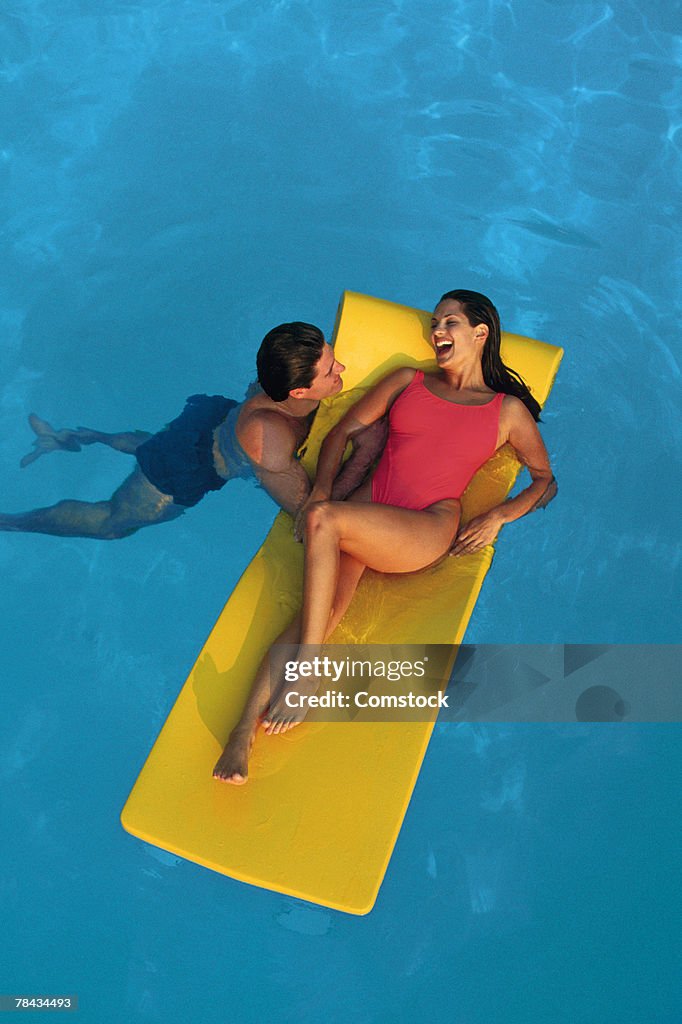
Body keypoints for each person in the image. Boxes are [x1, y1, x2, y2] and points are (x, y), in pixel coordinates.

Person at [213, 289, 557, 784]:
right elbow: (339, 435)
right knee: (321, 611)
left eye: (451, 323)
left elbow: (545, 480)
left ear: (480, 334)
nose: (437, 331)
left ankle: (306, 672)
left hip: (424, 527)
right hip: (367, 511)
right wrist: (323, 491)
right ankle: (241, 733)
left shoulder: (506, 411)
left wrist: (500, 515)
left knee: (324, 523)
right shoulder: (406, 380)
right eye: (435, 322)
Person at [0, 323, 386, 538]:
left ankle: (72, 437)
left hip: (208, 420)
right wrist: (365, 453)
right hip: (185, 471)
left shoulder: (280, 372)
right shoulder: (269, 442)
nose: (343, 371)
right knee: (114, 523)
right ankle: (12, 522)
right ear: (299, 391)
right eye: (331, 370)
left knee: (151, 447)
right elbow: (309, 515)